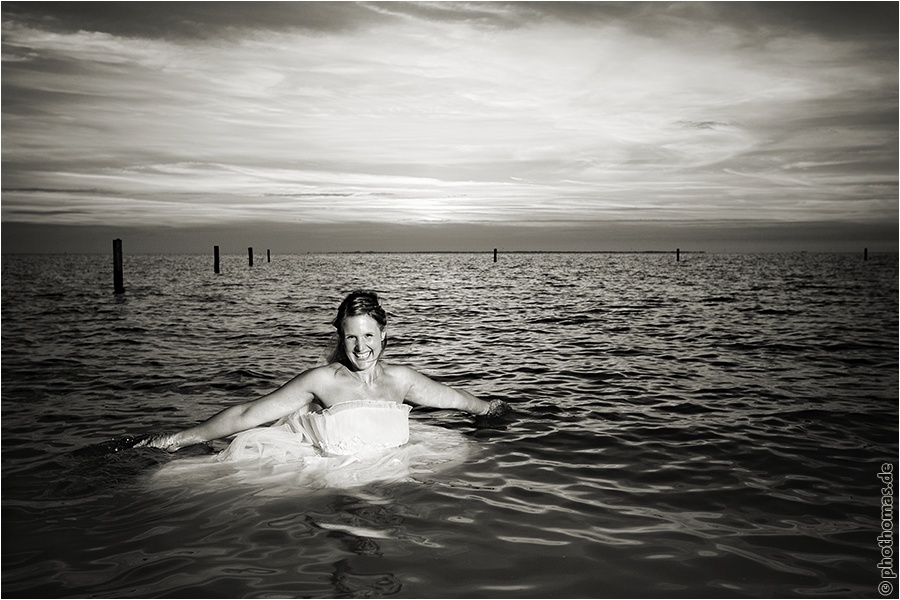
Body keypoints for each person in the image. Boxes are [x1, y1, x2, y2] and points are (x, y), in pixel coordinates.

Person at [138, 290, 509, 455]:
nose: (361, 347)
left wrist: (493, 409)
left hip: (396, 472)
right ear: (340, 338)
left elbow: (460, 401)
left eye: (368, 335)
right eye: (351, 336)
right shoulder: (322, 381)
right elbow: (247, 414)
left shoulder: (401, 379)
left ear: (383, 335)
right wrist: (178, 439)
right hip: (334, 479)